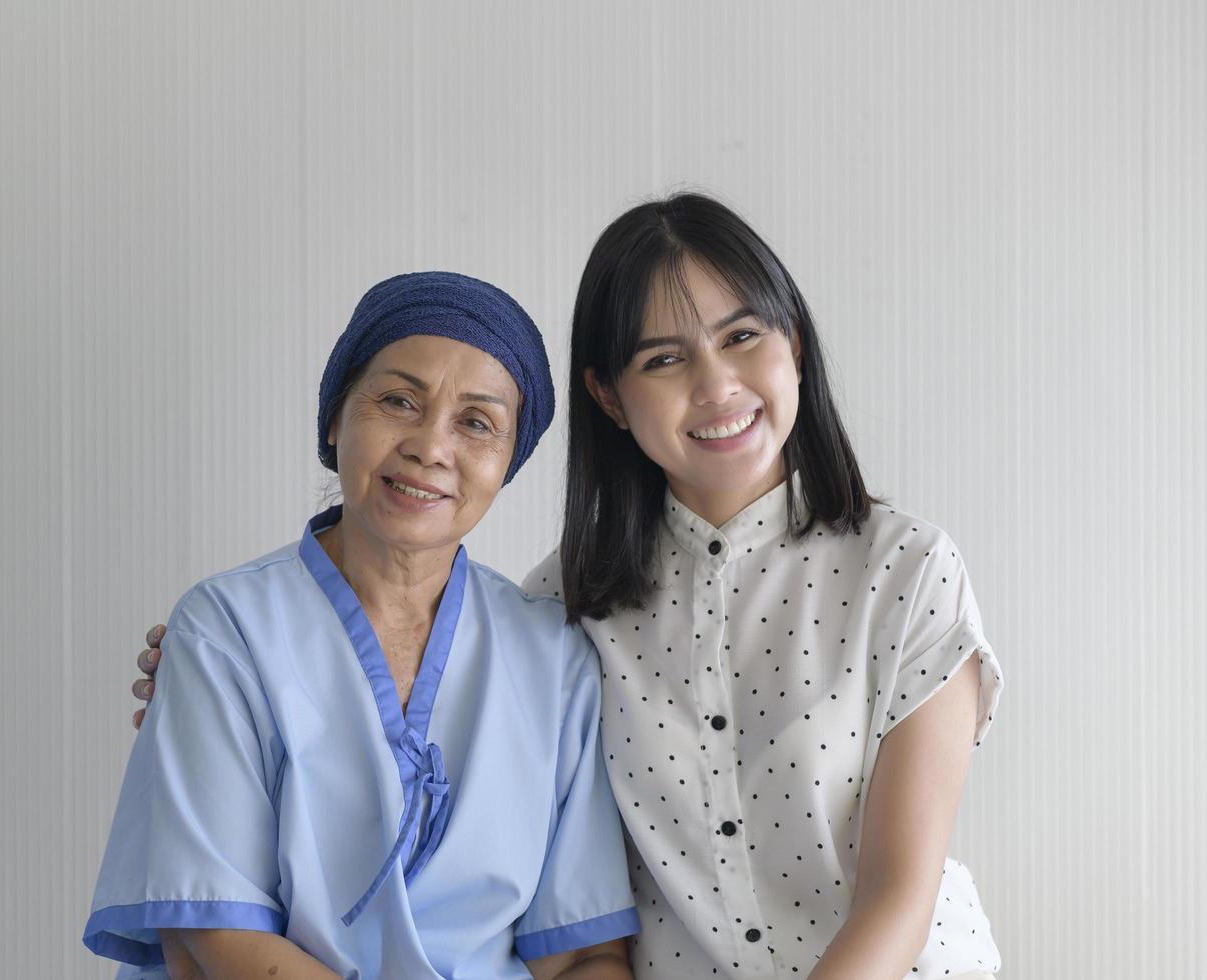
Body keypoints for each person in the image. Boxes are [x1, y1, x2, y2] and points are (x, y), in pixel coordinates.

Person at [133, 194, 1004, 980]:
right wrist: (218, 676)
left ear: (795, 349)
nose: (715, 386)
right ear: (611, 398)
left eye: (743, 337)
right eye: (664, 359)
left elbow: (898, 893)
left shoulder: (906, 569)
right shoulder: (568, 610)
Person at [87, 272, 639, 979]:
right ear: (335, 418)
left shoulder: (553, 659)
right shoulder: (224, 633)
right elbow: (215, 940)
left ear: (508, 462)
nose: (430, 447)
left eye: (477, 423)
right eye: (399, 401)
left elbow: (582, 956)